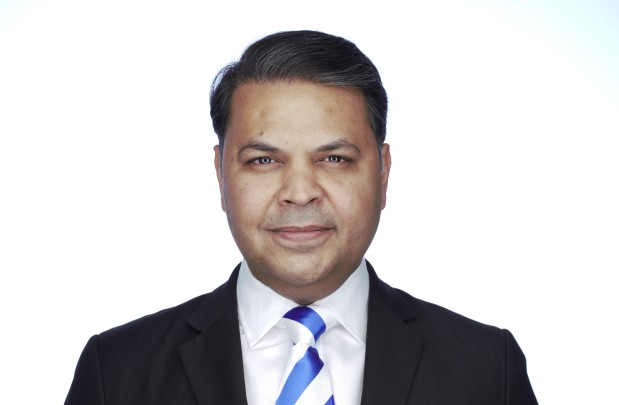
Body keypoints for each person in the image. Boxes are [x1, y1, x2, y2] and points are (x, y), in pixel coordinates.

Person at [65, 30, 538, 405]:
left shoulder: (486, 369)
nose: (299, 193)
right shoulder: (117, 372)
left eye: (333, 159)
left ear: (383, 172)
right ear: (220, 174)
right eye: (263, 160)